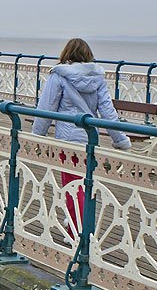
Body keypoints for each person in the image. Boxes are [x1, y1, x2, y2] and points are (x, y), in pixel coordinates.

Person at [31, 38, 130, 236]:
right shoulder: (98, 78)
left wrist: (37, 136)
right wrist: (120, 139)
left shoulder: (59, 75)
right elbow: (108, 112)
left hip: (67, 140)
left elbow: (46, 107)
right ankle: (79, 222)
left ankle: (79, 232)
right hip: (88, 138)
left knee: (71, 186)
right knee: (85, 183)